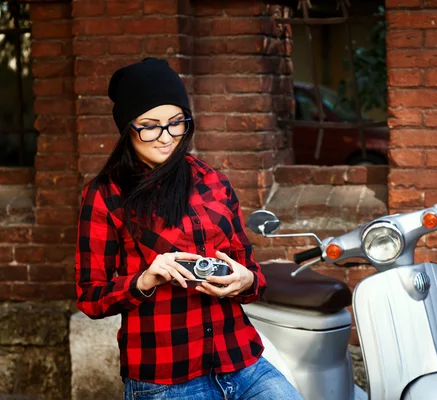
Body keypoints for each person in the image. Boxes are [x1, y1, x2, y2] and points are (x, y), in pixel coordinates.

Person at [75, 58, 303, 400]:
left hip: (241, 362)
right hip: (166, 378)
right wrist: (145, 280)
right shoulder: (105, 195)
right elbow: (90, 296)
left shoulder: (213, 181)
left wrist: (247, 280)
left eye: (175, 123)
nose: (165, 137)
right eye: (150, 126)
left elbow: (251, 271)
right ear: (127, 129)